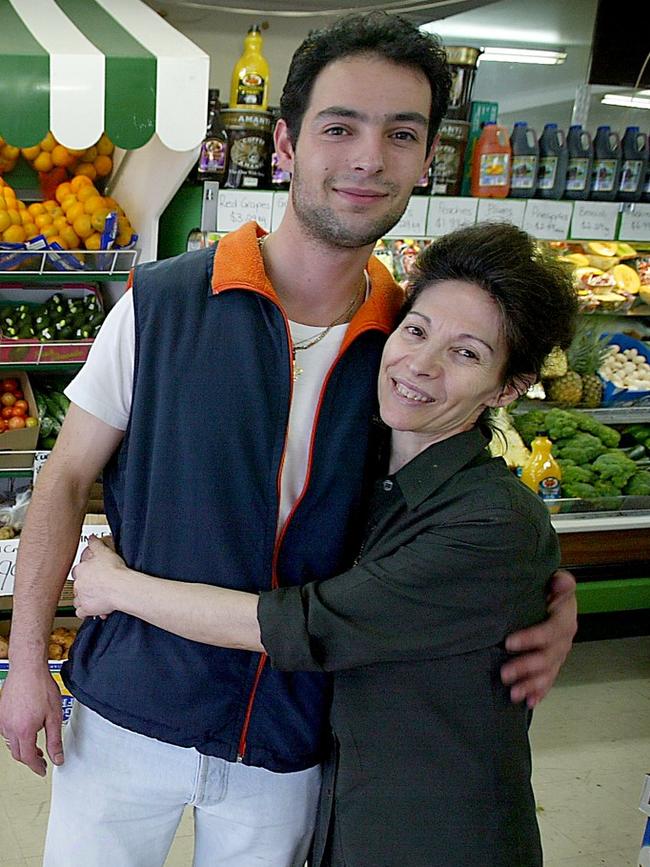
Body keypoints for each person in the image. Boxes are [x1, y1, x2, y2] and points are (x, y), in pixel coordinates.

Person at [0, 12, 576, 867]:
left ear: (426, 160)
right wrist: (22, 666)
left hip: (291, 735)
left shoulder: (409, 351)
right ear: (287, 142)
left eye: (401, 134)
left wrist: (544, 600)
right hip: (128, 711)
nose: (368, 158)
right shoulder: (160, 306)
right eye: (340, 127)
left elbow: (453, 513)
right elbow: (63, 478)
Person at [73, 222, 579, 866]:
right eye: (417, 331)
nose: (421, 365)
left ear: (508, 387)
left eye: (467, 354)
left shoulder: (492, 521)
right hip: (343, 803)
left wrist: (120, 588)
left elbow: (306, 623)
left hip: (433, 830)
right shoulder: (374, 472)